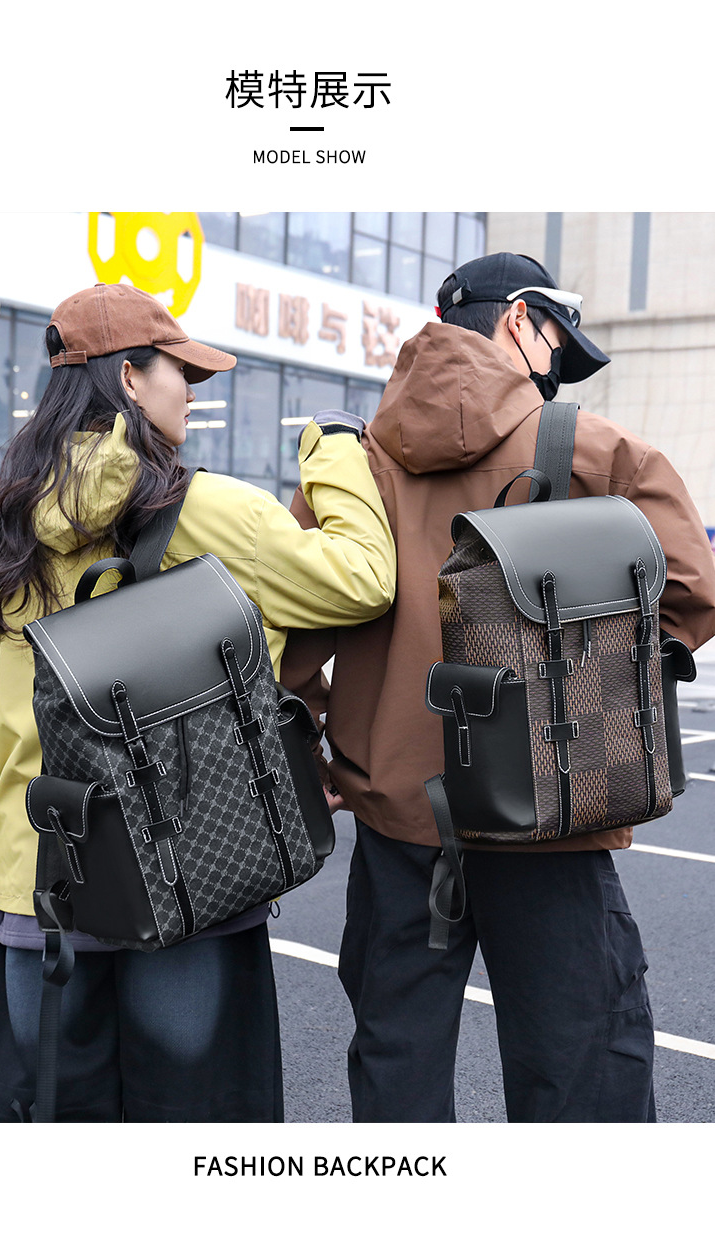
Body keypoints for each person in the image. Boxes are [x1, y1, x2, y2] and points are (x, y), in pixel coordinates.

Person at [0, 281, 396, 1123]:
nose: (191, 390)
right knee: (195, 1123)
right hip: (194, 878)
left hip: (45, 889)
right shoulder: (218, 512)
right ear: (130, 379)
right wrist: (331, 450)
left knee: (48, 1138)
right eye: (181, 370)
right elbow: (363, 581)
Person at [281, 252, 715, 1123]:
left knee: (398, 1067)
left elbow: (293, 628)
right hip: (555, 810)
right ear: (519, 318)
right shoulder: (590, 449)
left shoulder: (356, 465)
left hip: (400, 821)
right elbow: (692, 585)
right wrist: (602, 690)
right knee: (581, 1077)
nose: (553, 369)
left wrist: (324, 745)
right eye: (555, 341)